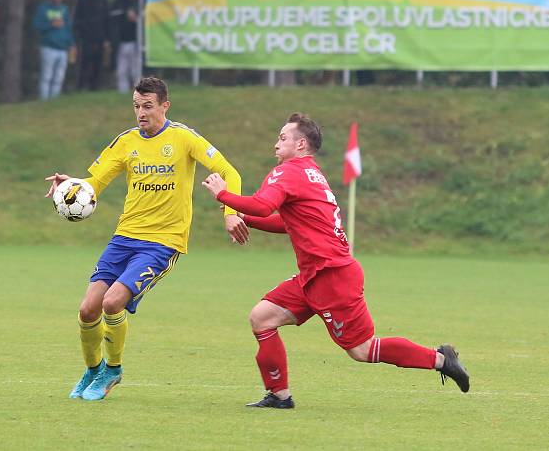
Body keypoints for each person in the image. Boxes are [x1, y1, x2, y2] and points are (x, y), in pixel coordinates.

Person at [201, 113, 470, 409]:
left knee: (363, 350)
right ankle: (279, 395)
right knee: (262, 318)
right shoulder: (311, 173)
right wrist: (245, 219)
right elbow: (289, 223)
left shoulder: (288, 172)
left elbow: (264, 206)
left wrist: (223, 195)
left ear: (300, 144)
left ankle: (441, 359)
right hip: (314, 275)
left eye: (282, 138)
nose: (276, 144)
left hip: (332, 276)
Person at [44, 76, 249, 401]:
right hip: (125, 236)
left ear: (165, 106)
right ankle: (93, 368)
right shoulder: (126, 142)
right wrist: (75, 187)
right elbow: (96, 181)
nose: (141, 112)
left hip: (162, 242)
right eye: (137, 106)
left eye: (148, 106)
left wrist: (230, 213)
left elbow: (229, 172)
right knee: (87, 310)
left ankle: (113, 370)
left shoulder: (184, 138)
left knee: (113, 302)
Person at [33, 0, 75, 101]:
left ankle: (54, 100)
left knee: (59, 77)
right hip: (48, 47)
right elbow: (37, 25)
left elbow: (68, 28)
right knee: (47, 76)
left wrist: (72, 44)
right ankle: (44, 100)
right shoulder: (43, 8)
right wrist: (51, 24)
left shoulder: (64, 9)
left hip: (62, 48)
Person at [73, 0, 109, 91]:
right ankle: (81, 87)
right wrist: (81, 34)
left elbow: (107, 20)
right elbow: (77, 19)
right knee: (84, 62)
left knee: (98, 62)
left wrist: (107, 38)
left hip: (100, 37)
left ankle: (95, 87)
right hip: (86, 37)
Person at [109, 0, 139, 94]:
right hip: (121, 42)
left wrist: (137, 19)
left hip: (137, 42)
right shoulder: (119, 1)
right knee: (122, 70)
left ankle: (139, 93)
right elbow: (112, 17)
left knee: (136, 71)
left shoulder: (141, 1)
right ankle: (123, 92)